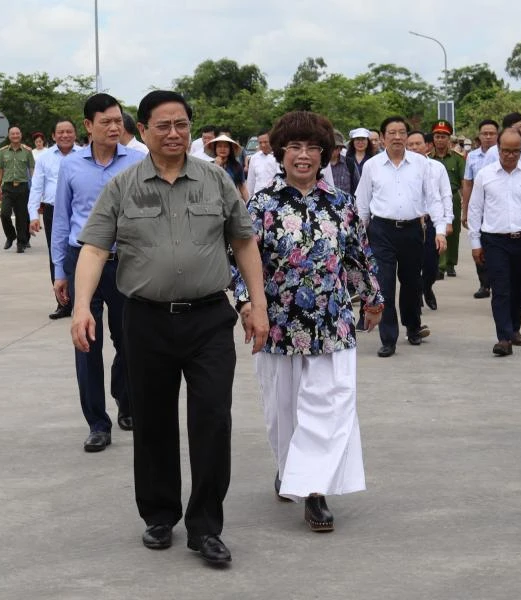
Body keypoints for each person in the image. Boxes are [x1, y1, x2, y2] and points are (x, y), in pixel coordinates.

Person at [72, 90, 268, 566]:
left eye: (181, 124)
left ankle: (206, 527)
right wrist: (81, 306)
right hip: (146, 321)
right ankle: (159, 516)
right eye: (163, 125)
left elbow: (244, 243)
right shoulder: (122, 186)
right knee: (154, 421)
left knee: (212, 421)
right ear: (143, 131)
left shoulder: (216, 179)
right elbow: (95, 249)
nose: (174, 133)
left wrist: (257, 304)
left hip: (208, 320)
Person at [231, 110, 383, 533]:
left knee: (330, 406)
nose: (303, 156)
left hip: (332, 323)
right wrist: (246, 304)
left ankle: (315, 491)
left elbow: (356, 256)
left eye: (312, 148)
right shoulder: (261, 205)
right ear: (280, 153)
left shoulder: (341, 204)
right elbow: (240, 261)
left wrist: (371, 298)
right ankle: (289, 468)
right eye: (295, 148)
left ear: (325, 155)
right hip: (277, 324)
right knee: (282, 411)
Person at [52, 93, 146, 452]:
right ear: (88, 126)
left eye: (118, 120)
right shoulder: (72, 166)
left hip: (126, 263)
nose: (113, 126)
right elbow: (61, 219)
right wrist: (60, 270)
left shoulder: (138, 162)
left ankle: (126, 401)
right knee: (86, 342)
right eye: (105, 121)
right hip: (82, 260)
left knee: (129, 340)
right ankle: (96, 422)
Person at [355, 116, 446, 358]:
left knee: (411, 283)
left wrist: (441, 228)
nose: (397, 137)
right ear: (383, 138)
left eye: (401, 132)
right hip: (381, 231)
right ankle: (388, 338)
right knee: (384, 284)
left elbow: (433, 198)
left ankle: (413, 326)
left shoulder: (421, 164)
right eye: (392, 133)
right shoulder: (372, 166)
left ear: (407, 136)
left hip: (412, 230)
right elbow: (362, 203)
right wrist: (358, 237)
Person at [468, 128, 521, 356]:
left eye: (515, 151)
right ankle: (504, 338)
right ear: (498, 149)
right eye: (506, 151)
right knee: (501, 289)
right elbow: (475, 210)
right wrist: (475, 243)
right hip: (494, 240)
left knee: (520, 286)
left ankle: (514, 328)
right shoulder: (485, 175)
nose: (510, 155)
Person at [28, 119, 79, 319]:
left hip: (79, 211)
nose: (65, 135)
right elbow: (36, 188)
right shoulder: (45, 158)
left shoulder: (85, 154)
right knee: (57, 255)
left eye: (69, 131)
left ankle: (86, 300)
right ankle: (63, 303)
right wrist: (33, 215)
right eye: (60, 132)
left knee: (83, 254)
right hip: (53, 211)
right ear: (53, 136)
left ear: (75, 134)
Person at [407, 131, 453, 312]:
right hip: (410, 222)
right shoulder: (401, 168)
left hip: (432, 221)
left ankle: (427, 287)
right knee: (411, 264)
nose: (414, 148)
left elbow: (445, 195)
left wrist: (447, 221)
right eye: (410, 145)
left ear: (427, 145)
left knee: (431, 264)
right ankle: (415, 294)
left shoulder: (436, 167)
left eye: (418, 144)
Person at [461, 119, 499, 299]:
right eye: (485, 133)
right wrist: (465, 210)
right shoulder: (473, 156)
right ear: (479, 136)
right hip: (479, 206)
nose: (489, 137)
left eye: (492, 133)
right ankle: (484, 284)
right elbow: (467, 183)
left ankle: (501, 285)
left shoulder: (504, 154)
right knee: (479, 243)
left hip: (498, 207)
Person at [429, 120, 466, 279]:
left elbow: (464, 181)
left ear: (449, 139)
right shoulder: (427, 158)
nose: (440, 139)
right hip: (433, 198)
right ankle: (439, 265)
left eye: (443, 136)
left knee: (453, 230)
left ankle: (450, 263)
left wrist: (467, 203)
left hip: (453, 197)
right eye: (437, 136)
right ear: (433, 138)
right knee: (437, 229)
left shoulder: (457, 159)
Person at [0, 126, 35, 253]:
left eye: (17, 133)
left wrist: (35, 189)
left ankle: (21, 242)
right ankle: (11, 236)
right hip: (7, 187)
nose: (15, 136)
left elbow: (33, 170)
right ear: (9, 136)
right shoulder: (3, 152)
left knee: (21, 217)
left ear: (21, 135)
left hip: (23, 187)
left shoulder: (27, 151)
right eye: (12, 134)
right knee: (4, 214)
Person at [207, 134, 248, 201]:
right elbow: (209, 185)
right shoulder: (209, 166)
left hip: (232, 202)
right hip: (214, 203)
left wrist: (248, 206)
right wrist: (217, 166)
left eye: (226, 146)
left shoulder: (236, 166)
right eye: (219, 146)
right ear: (215, 148)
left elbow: (242, 188)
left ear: (230, 149)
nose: (222, 149)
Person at [246, 129, 280, 196]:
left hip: (275, 196)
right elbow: (251, 181)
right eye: (260, 143)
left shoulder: (279, 157)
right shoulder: (254, 158)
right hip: (258, 197)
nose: (263, 145)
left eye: (265, 142)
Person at [328, 130, 354, 195]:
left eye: (335, 147)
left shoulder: (349, 163)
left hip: (346, 203)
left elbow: (357, 186)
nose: (332, 150)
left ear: (341, 148)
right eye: (329, 146)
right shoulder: (319, 164)